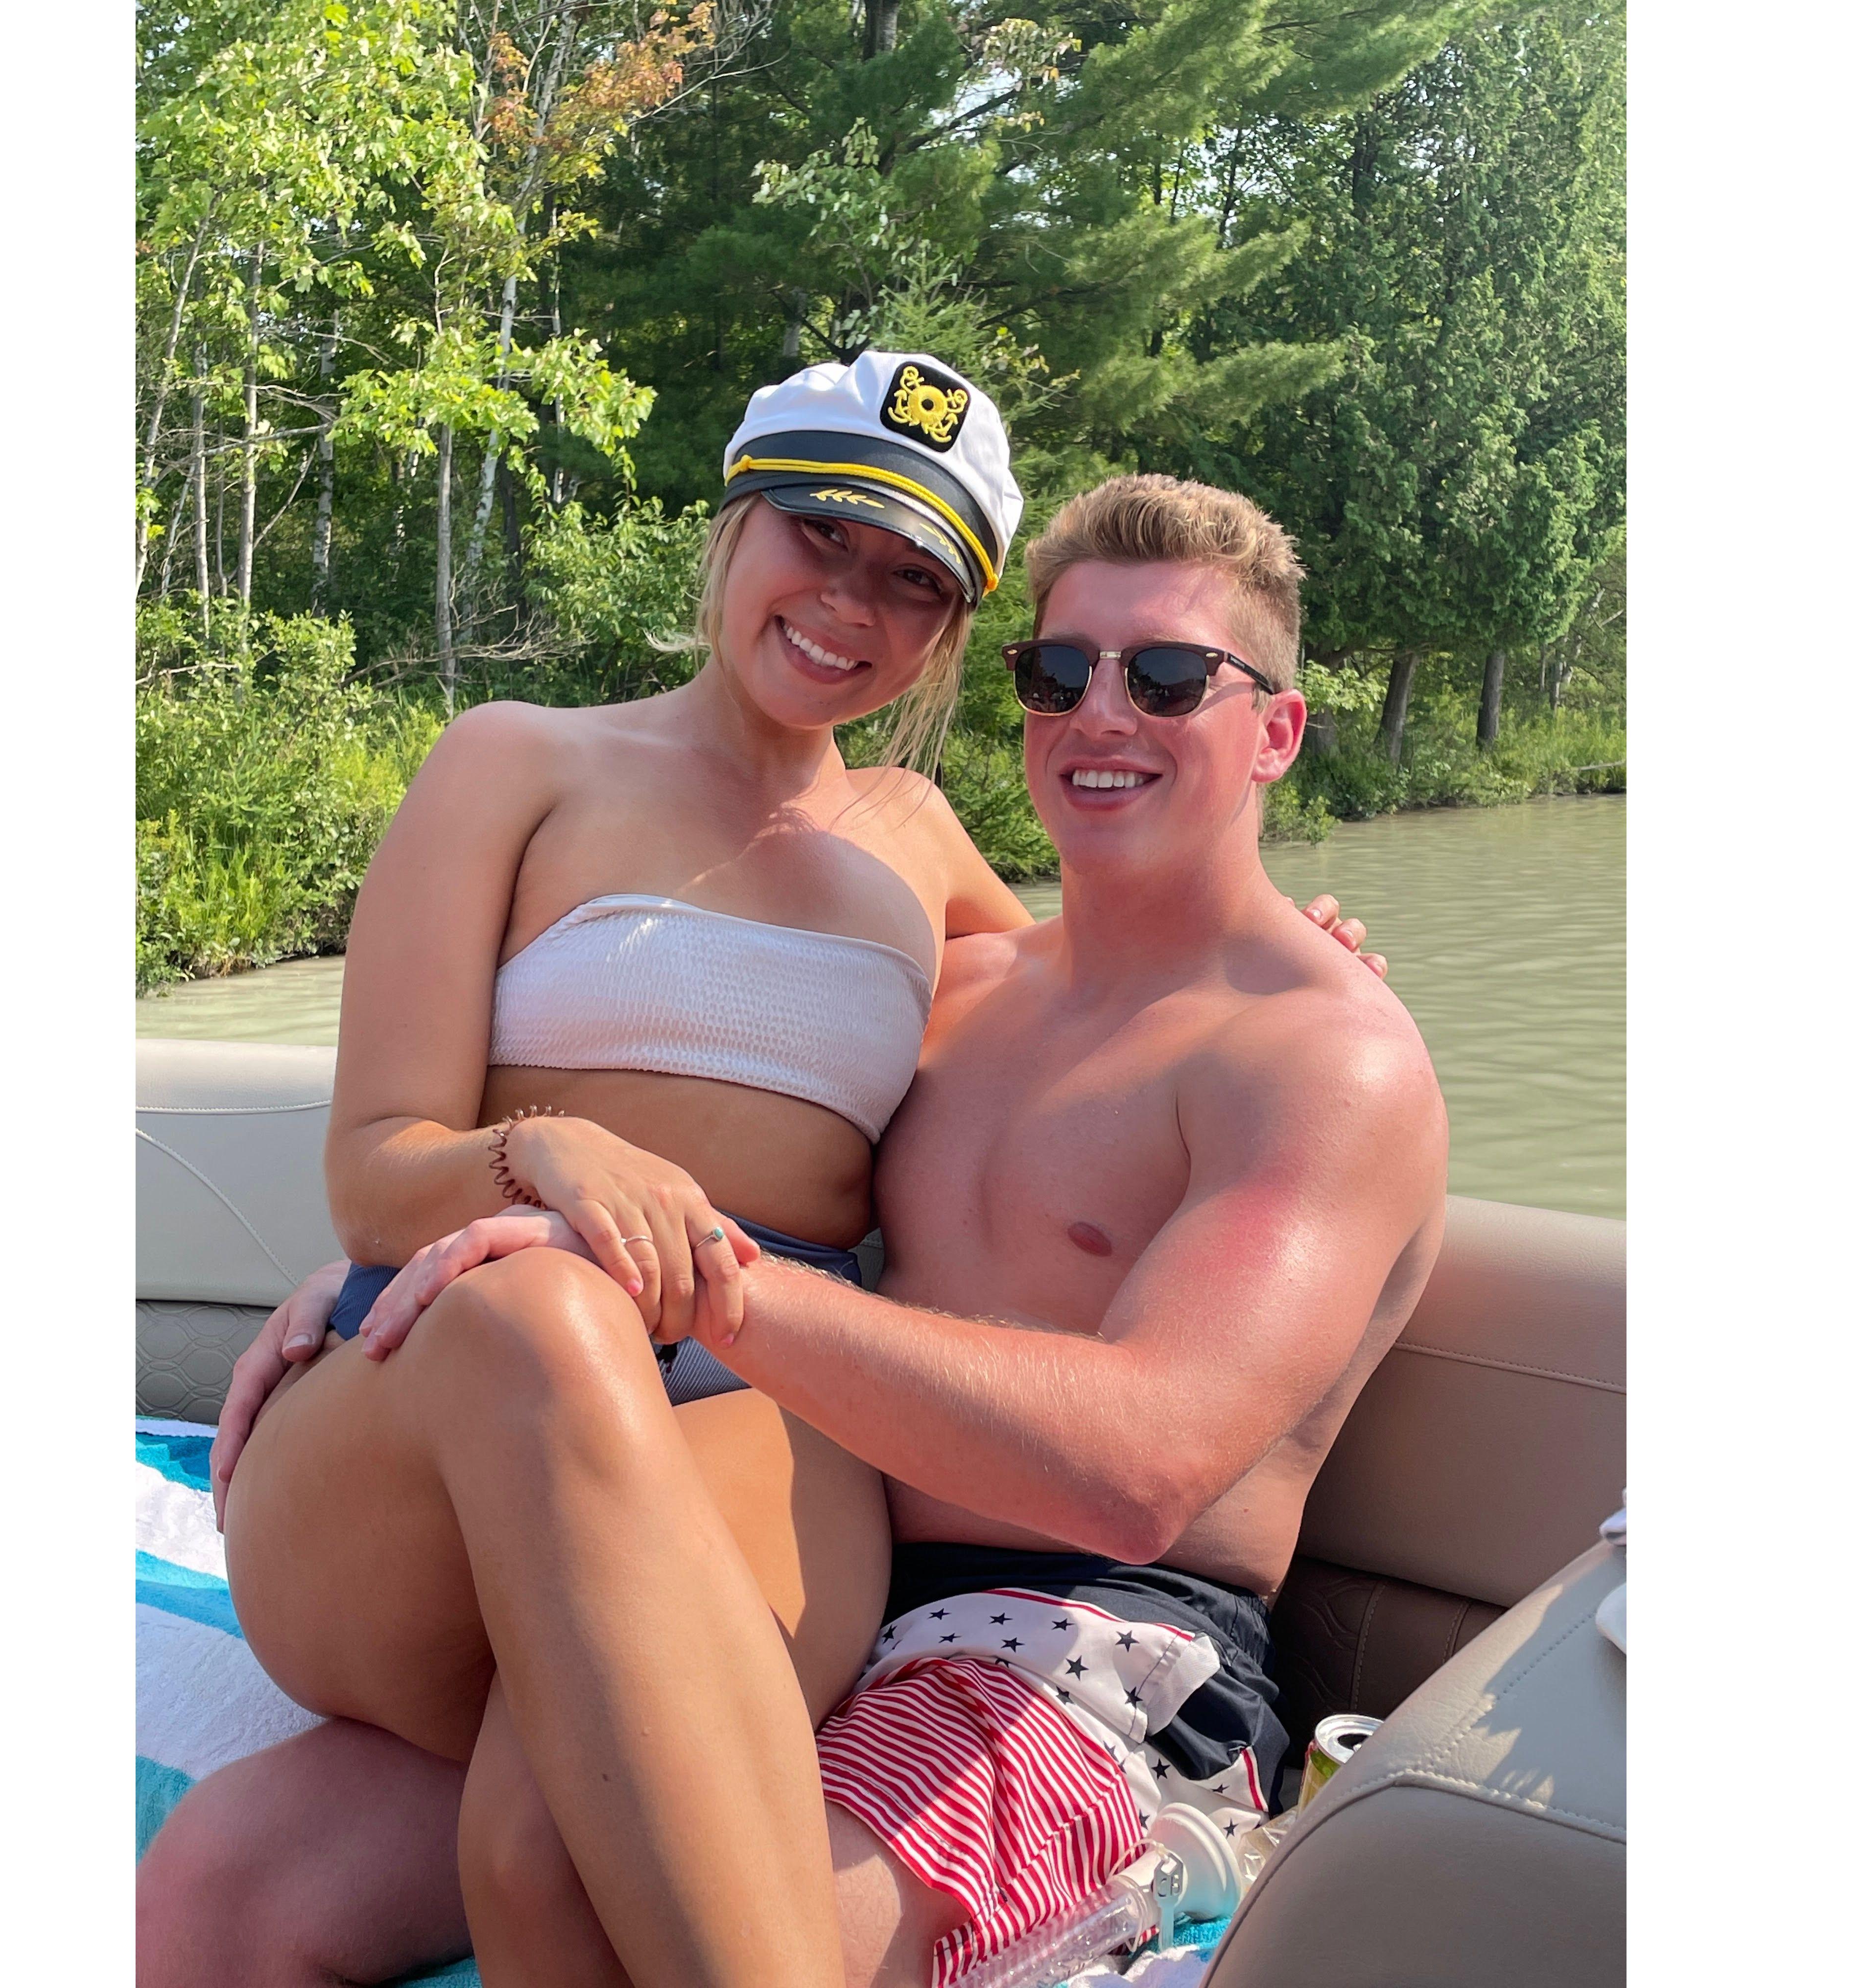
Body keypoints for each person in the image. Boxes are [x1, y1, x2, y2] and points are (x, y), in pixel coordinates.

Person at [138, 361, 1382, 1985]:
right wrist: (535, 1162)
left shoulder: (920, 842)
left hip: (753, 1412)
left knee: (288, 1877)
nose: (853, 602)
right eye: (823, 533)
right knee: (542, 1320)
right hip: (451, 1386)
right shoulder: (515, 762)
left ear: (949, 634)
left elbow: (1110, 1004)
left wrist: (1303, 946)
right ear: (732, 524)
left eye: (915, 581)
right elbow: (379, 1170)